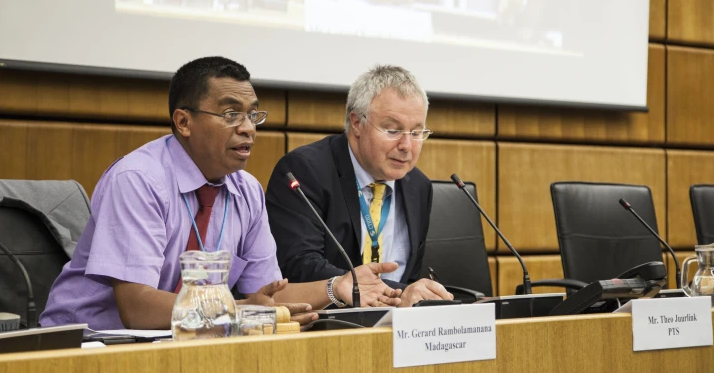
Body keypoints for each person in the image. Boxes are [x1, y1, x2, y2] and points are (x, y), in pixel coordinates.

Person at [40, 57, 401, 330]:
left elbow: (268, 294)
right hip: (88, 343)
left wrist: (336, 287)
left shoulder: (246, 191)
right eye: (231, 114)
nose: (248, 129)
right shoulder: (139, 180)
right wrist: (242, 312)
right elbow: (137, 308)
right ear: (183, 122)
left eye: (252, 115)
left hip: (188, 342)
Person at [266, 65, 452, 307]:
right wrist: (399, 293)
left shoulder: (419, 186)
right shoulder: (306, 171)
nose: (407, 145)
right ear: (356, 122)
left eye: (416, 133)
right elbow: (299, 265)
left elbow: (412, 274)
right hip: (327, 323)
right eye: (393, 130)